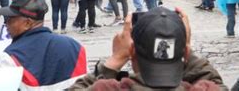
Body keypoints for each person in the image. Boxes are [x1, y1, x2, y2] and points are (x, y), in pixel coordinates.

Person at [70, 7, 226, 90]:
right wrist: (185, 45)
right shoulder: (206, 89)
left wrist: (115, 59)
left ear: (131, 52)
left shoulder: (106, 89)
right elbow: (215, 82)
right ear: (185, 52)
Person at [0, 0, 87, 88]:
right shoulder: (76, 47)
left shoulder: (10, 57)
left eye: (10, 19)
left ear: (27, 23)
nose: (6, 24)